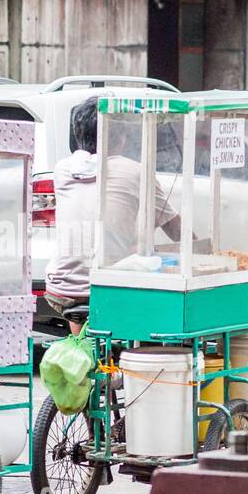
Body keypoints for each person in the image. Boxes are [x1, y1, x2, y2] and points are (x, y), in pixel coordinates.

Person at [44, 98, 181, 334]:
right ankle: (135, 355)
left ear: (78, 135)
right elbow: (176, 230)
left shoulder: (62, 170)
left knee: (92, 285)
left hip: (61, 288)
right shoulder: (135, 171)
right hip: (107, 288)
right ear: (121, 137)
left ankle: (85, 353)